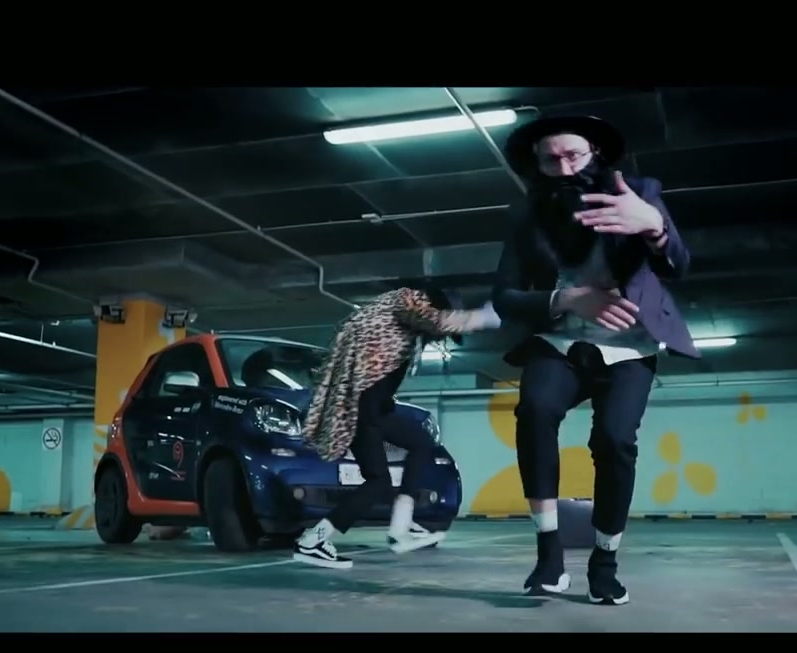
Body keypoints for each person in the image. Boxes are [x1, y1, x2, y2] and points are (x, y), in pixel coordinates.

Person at [491, 114, 699, 605]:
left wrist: (654, 227)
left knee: (614, 440)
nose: (565, 169)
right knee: (535, 411)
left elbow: (679, 264)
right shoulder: (526, 214)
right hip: (559, 340)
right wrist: (567, 299)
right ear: (537, 164)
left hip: (630, 344)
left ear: (595, 154)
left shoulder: (639, 192)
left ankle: (604, 564)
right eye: (551, 160)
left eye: (574, 156)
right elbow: (504, 297)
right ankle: (548, 555)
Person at [293, 286, 501, 569]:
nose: (437, 338)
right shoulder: (406, 300)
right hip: (364, 409)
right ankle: (383, 529)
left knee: (393, 468)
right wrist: (482, 318)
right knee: (409, 454)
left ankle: (393, 525)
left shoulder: (392, 319)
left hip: (368, 408)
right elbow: (434, 320)